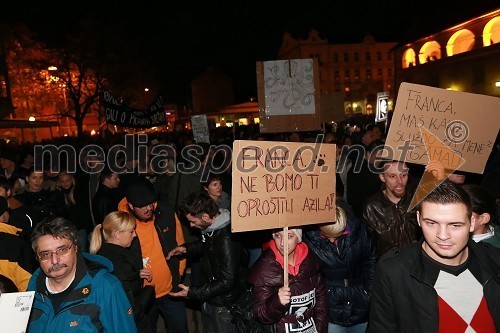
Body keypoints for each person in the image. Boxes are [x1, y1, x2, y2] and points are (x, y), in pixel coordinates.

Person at [369, 180, 500, 332]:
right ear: (418, 219)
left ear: (471, 223)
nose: (443, 236)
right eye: (431, 223)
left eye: (455, 225)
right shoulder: (394, 271)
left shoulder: (495, 260)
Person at [27, 217, 136, 332]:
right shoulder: (33, 290)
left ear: (76, 247)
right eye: (45, 254)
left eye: (62, 250)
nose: (54, 260)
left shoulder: (105, 287)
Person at [167, 190, 243, 333]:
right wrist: (186, 249)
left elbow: (228, 281)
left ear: (206, 216)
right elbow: (208, 245)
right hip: (210, 296)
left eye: (193, 221)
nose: (191, 225)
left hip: (223, 304)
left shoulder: (227, 239)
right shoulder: (212, 227)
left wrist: (193, 292)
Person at [118, 179, 187, 333]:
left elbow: (181, 245)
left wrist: (179, 273)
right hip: (142, 296)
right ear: (130, 205)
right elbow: (116, 259)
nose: (149, 208)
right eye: (144, 206)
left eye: (152, 203)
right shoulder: (121, 223)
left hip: (171, 291)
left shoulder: (166, 213)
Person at [304, 199, 378, 333]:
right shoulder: (310, 239)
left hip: (359, 301)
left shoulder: (360, 231)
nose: (332, 240)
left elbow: (371, 261)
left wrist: (369, 291)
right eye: (328, 236)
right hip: (330, 304)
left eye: (336, 236)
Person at [248, 227, 328, 333]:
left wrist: (320, 328)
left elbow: (321, 301)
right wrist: (277, 302)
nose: (282, 243)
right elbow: (260, 315)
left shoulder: (310, 262)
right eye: (278, 236)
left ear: (298, 238)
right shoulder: (265, 268)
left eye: (289, 236)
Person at [90, 211, 154, 332]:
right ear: (118, 234)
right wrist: (149, 292)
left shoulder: (102, 254)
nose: (134, 235)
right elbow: (130, 312)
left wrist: (135, 274)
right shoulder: (121, 265)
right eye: (131, 231)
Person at [362, 160, 419, 255]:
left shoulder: (417, 199)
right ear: (382, 177)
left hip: (417, 259)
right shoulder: (371, 207)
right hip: (389, 264)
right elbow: (369, 247)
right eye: (392, 176)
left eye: (403, 175)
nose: (399, 181)